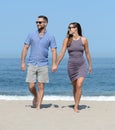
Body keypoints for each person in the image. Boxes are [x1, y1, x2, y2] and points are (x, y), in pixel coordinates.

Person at [21, 15, 57, 109]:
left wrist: (54, 64)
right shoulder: (31, 34)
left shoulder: (51, 36)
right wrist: (23, 62)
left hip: (43, 64)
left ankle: (38, 105)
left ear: (45, 23)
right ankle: (36, 96)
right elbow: (25, 48)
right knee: (31, 86)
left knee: (41, 86)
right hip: (32, 63)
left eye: (40, 22)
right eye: (37, 22)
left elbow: (53, 51)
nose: (38, 24)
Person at [56, 22, 92, 112]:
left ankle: (76, 105)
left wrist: (90, 65)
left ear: (76, 28)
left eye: (71, 28)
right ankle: (76, 101)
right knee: (75, 86)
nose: (69, 29)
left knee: (79, 85)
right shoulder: (67, 40)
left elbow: (87, 53)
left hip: (81, 65)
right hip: (71, 66)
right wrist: (56, 64)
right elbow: (62, 53)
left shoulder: (84, 40)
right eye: (69, 27)